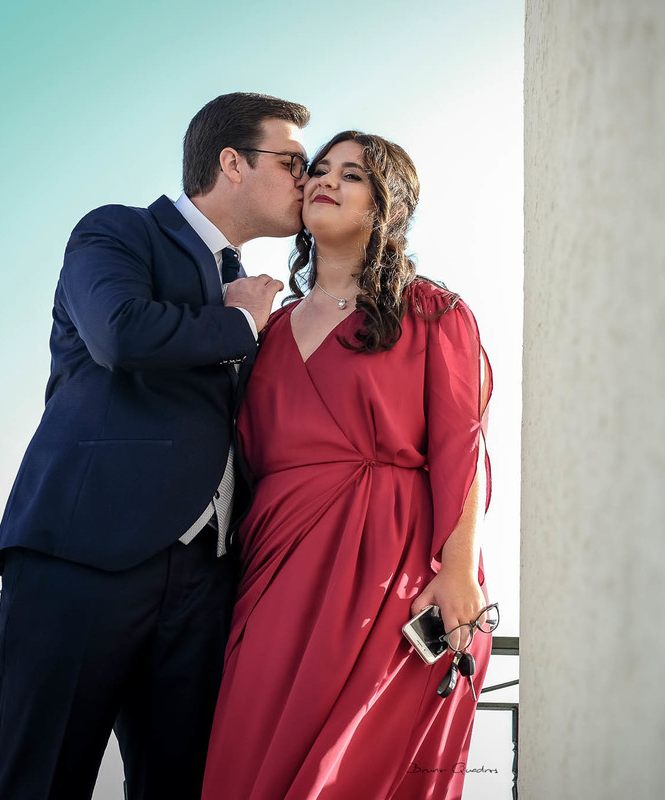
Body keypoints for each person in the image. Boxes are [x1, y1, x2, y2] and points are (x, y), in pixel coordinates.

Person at [0, 92, 308, 800]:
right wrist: (238, 325)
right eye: (292, 161)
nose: (306, 178)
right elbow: (120, 332)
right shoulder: (117, 232)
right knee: (39, 782)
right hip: (82, 556)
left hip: (207, 583)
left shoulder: (258, 297)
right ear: (233, 163)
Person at [201, 131, 494, 799]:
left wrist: (457, 572)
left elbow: (463, 446)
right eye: (320, 169)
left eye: (353, 175)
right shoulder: (265, 331)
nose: (326, 181)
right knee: (251, 758)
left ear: (387, 206)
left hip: (393, 569)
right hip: (275, 566)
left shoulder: (435, 313)